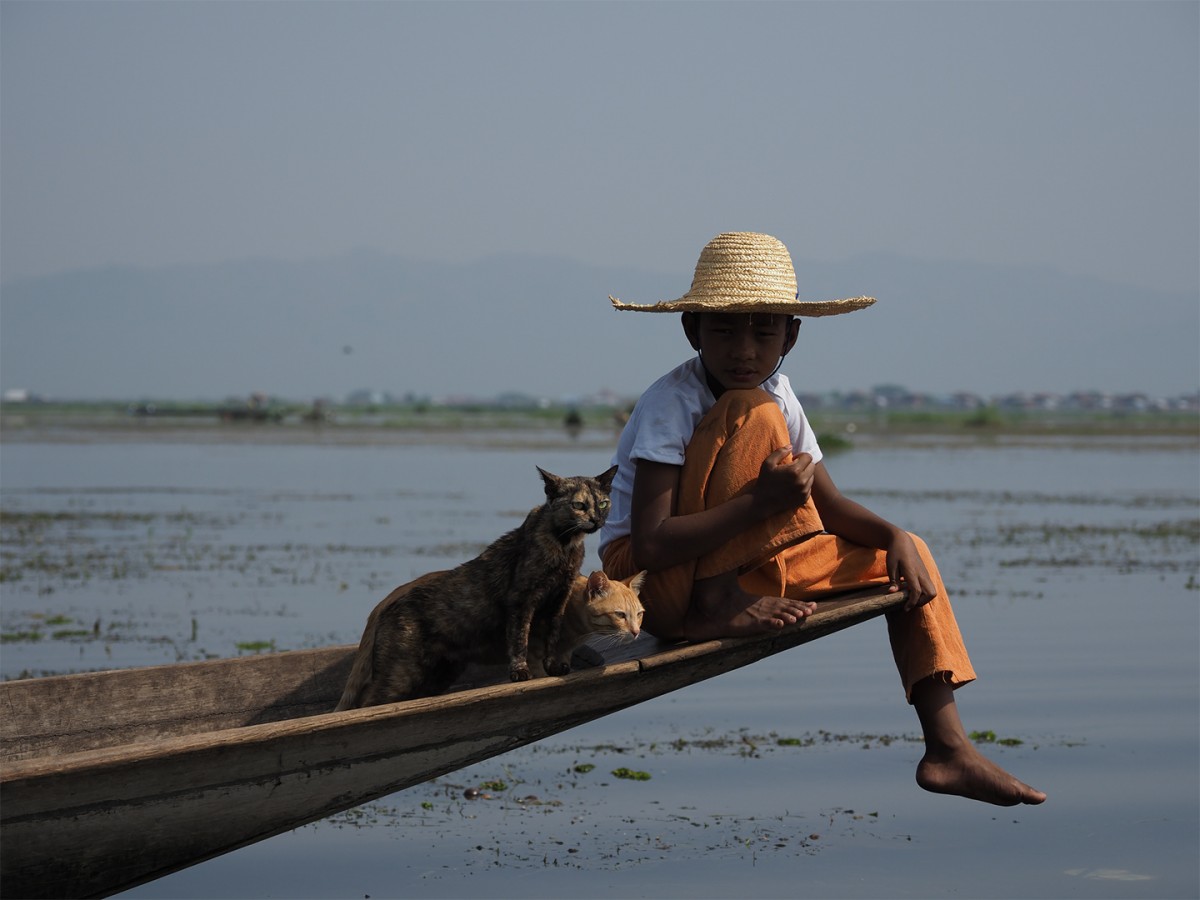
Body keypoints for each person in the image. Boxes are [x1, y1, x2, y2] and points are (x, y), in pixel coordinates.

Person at [598, 231, 1046, 807]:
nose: (745, 349)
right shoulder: (674, 401)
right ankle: (714, 602)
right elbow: (653, 544)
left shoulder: (781, 393)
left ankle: (947, 748)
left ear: (792, 334)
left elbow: (828, 508)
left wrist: (893, 534)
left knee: (907, 554)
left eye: (765, 331)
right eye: (726, 329)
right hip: (645, 584)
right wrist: (758, 504)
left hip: (734, 565)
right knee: (748, 409)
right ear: (692, 330)